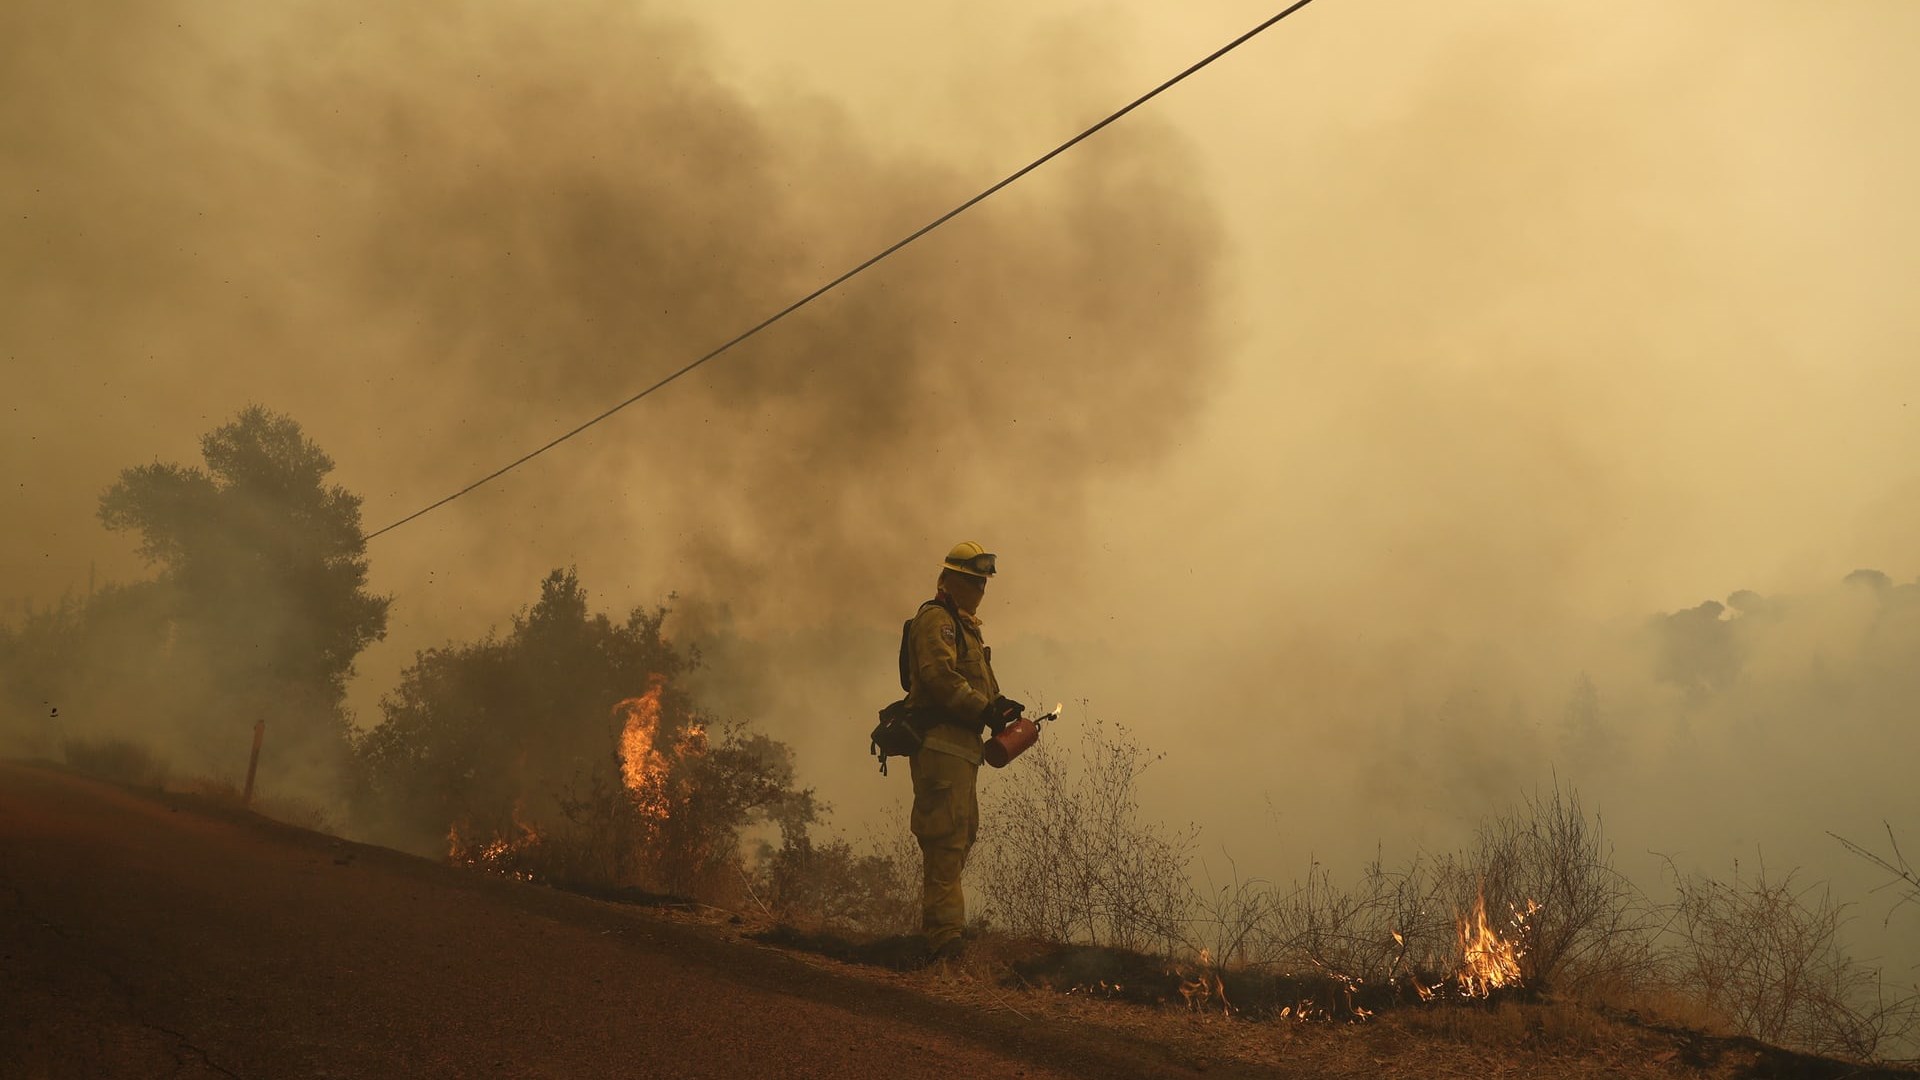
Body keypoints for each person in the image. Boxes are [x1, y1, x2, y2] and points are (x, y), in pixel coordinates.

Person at [903, 541, 1025, 963]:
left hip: (962, 751)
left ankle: (945, 930)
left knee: (961, 834)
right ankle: (943, 942)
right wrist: (983, 707)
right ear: (949, 578)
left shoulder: (966, 626)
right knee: (945, 838)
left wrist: (999, 706)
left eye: (983, 582)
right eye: (973, 580)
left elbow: (975, 686)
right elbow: (939, 677)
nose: (980, 589)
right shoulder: (938, 621)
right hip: (941, 746)